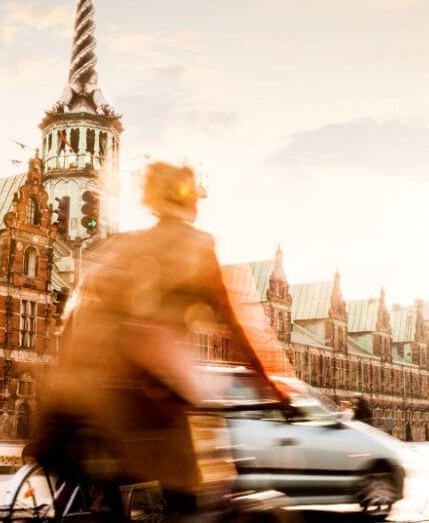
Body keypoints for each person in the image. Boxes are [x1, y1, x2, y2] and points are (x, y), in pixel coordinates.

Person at [33, 161, 275, 517]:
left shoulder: (120, 247)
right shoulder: (195, 246)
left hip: (77, 400)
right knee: (195, 492)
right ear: (188, 201)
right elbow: (239, 324)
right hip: (141, 398)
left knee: (116, 498)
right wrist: (271, 381)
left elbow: (76, 318)